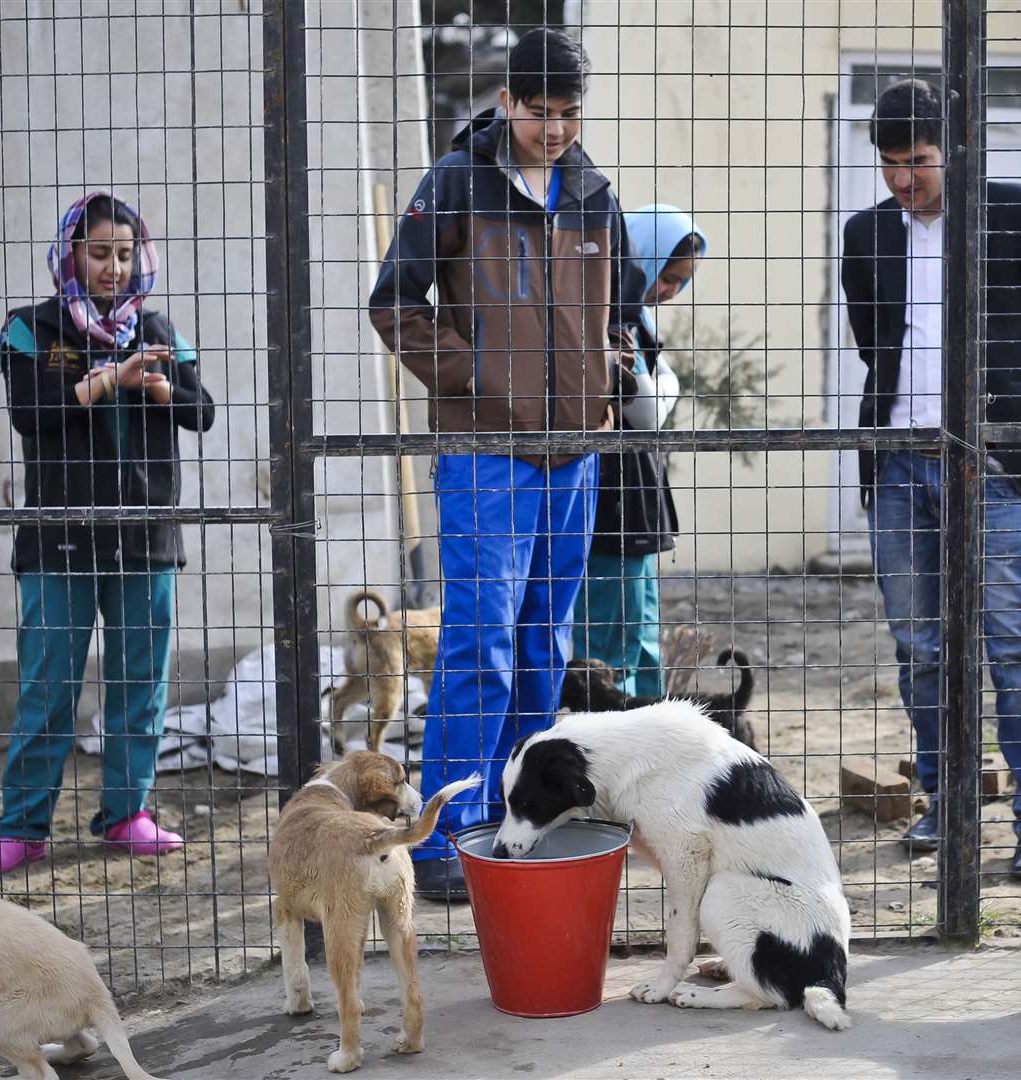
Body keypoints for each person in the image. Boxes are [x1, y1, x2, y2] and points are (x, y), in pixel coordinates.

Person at [368, 28, 635, 901]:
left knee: (542, 648)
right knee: (478, 645)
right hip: (485, 452)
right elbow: (395, 303)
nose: (554, 129)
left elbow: (619, 309)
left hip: (575, 454)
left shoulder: (593, 191)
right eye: (538, 111)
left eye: (568, 113)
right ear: (506, 100)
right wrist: (476, 380)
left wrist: (609, 370)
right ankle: (443, 841)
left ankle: (519, 830)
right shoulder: (454, 183)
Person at [840, 78, 1021, 881]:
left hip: (993, 460)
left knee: (1014, 642)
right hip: (901, 460)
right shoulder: (865, 233)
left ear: (956, 151)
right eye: (888, 164)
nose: (902, 180)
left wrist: (1001, 399)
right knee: (919, 646)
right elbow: (874, 340)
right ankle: (945, 803)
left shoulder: (1013, 211)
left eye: (917, 162)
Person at [0, 192, 216, 874]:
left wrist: (159, 386)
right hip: (61, 538)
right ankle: (22, 826)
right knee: (48, 685)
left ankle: (126, 813)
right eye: (99, 253)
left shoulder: (158, 326)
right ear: (71, 254)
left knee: (140, 682)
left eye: (125, 255)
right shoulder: (32, 330)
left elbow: (203, 410)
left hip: (144, 536)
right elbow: (31, 412)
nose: (112, 268)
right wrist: (106, 381)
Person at [572, 205, 706, 698]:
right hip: (613, 506)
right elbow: (648, 412)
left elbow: (656, 394)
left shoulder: (637, 322)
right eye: (667, 277)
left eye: (680, 282)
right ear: (639, 259)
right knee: (614, 653)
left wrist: (659, 388)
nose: (670, 290)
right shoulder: (609, 322)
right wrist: (661, 389)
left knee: (642, 638)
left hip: (640, 507)